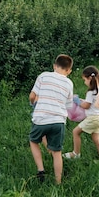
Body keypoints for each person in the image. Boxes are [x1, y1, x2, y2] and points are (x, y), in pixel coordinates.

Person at [28, 54, 74, 184]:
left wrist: (33, 103)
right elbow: (69, 106)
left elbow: (32, 96)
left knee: (33, 140)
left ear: (54, 66)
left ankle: (41, 170)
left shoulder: (43, 76)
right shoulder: (69, 83)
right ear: (69, 71)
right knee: (57, 152)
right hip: (59, 121)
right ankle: (58, 182)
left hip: (41, 118)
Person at [63, 66, 99, 164]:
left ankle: (76, 154)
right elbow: (92, 103)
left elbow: (86, 106)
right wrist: (82, 101)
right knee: (97, 139)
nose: (84, 82)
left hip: (93, 118)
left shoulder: (91, 92)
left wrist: (78, 102)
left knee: (75, 132)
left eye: (84, 80)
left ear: (89, 78)